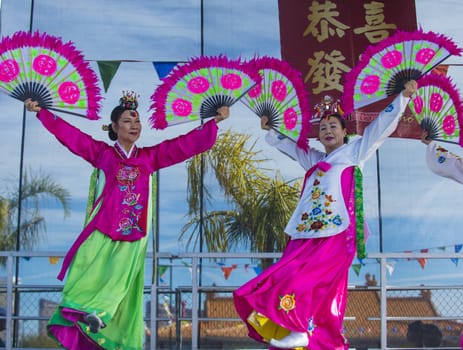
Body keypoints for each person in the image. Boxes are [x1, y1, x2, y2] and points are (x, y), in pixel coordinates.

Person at [24, 93, 229, 350]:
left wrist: (214, 123)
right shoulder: (102, 154)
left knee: (120, 280)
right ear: (114, 127)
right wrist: (42, 112)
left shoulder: (149, 157)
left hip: (134, 232)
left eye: (137, 121)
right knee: (85, 267)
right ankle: (80, 311)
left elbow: (182, 145)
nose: (134, 126)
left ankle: (100, 316)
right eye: (127, 121)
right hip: (102, 227)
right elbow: (72, 136)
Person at [233, 80, 417, 350]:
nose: (328, 130)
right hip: (307, 232)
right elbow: (290, 147)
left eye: (333, 126)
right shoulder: (315, 160)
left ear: (345, 131)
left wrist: (402, 97)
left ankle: (297, 326)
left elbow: (380, 127)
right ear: (317, 136)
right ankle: (314, 337)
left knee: (306, 279)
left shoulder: (355, 152)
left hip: (339, 232)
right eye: (322, 128)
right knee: (292, 277)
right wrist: (270, 128)